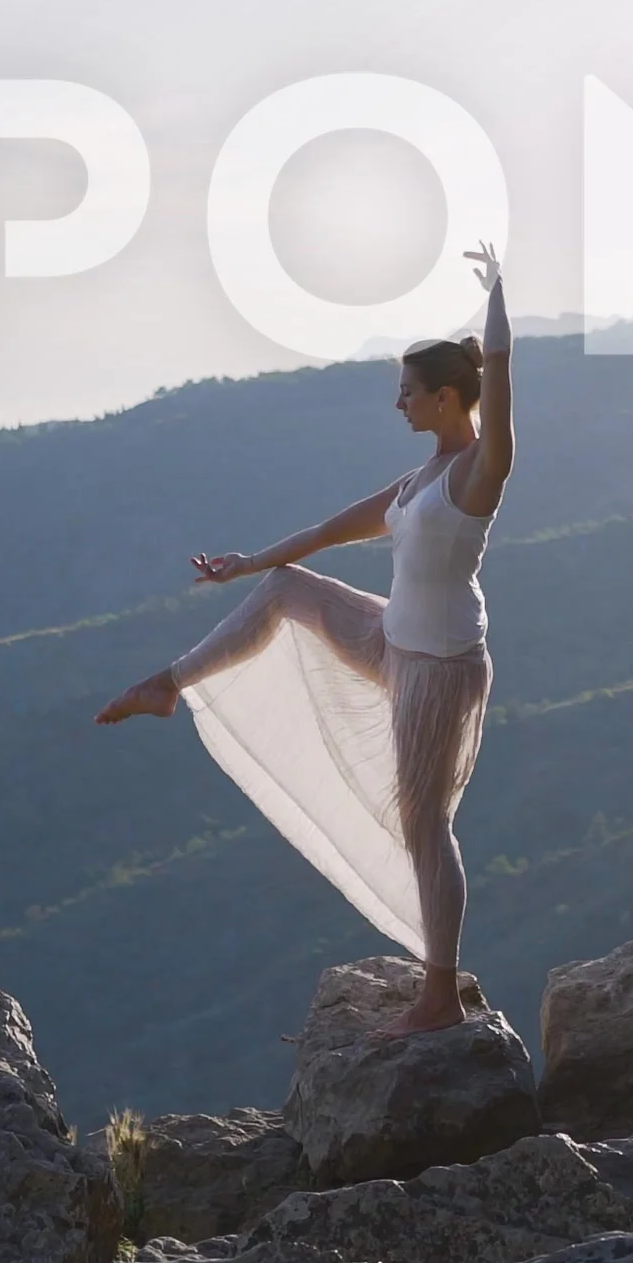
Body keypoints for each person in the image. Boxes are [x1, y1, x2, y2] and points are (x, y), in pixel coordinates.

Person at [96, 244, 511, 1034]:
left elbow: (501, 371)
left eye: (408, 393)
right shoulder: (419, 478)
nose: (398, 405)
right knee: (287, 588)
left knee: (425, 826)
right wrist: (245, 563)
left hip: (442, 667)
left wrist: (497, 297)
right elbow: (328, 530)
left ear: (448, 395)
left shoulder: (481, 471)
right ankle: (167, 684)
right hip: (392, 636)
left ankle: (440, 993)